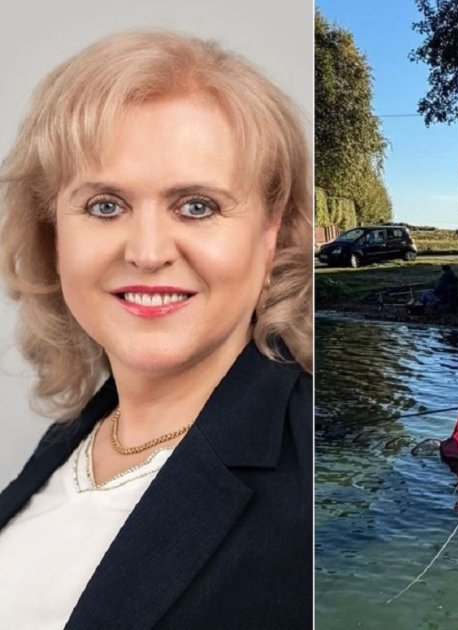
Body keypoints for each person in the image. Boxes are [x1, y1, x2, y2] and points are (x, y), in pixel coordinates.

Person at [0, 31, 312, 627]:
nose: (146, 253)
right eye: (105, 206)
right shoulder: (79, 434)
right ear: (53, 234)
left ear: (270, 232)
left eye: (196, 206)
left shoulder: (306, 492)